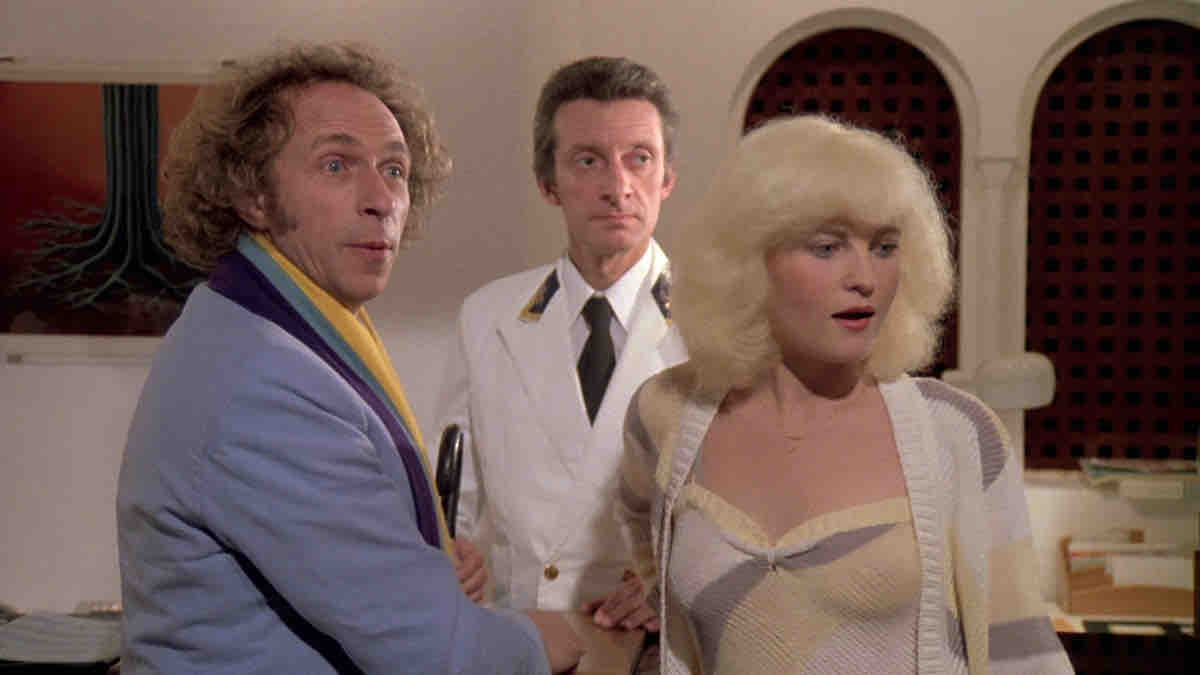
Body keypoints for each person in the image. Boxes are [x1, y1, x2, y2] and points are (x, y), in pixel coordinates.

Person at [116, 43, 580, 674]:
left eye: (395, 170)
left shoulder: (268, 323)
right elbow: (434, 653)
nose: (381, 198)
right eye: (336, 165)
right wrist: (554, 640)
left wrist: (419, 558)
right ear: (252, 194)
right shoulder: (260, 379)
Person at [617, 115, 1075, 673]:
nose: (865, 277)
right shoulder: (667, 412)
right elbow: (640, 543)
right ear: (748, 264)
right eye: (828, 247)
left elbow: (1025, 656)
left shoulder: (958, 435)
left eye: (884, 247)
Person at [435, 56, 685, 631]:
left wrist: (673, 582)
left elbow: (753, 517)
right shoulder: (487, 317)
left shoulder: (720, 324)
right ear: (548, 183)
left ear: (667, 178)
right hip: (522, 637)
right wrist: (448, 553)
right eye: (589, 161)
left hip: (654, 642)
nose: (618, 187)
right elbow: (451, 500)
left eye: (639, 159)